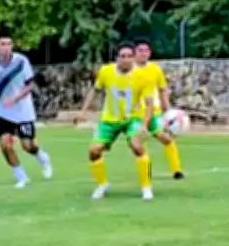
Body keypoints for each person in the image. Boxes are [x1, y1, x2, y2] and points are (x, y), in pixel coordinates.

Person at [77, 42, 156, 201]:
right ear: (117, 58)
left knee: (137, 146)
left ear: (134, 58)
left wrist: (144, 125)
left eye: (129, 56)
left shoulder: (144, 77)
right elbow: (95, 90)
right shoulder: (106, 71)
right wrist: (84, 112)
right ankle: (102, 185)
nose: (126, 59)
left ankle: (146, 187)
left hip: (132, 118)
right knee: (94, 151)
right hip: (109, 120)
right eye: (122, 56)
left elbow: (149, 104)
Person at [0, 29, 52, 188]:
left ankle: (42, 158)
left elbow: (29, 85)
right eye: (2, 44)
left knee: (28, 146)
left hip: (23, 110)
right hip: (3, 111)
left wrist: (15, 98)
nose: (6, 47)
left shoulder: (21, 61)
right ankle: (21, 177)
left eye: (9, 44)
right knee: (5, 145)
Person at [134, 39, 184, 179]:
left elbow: (162, 90)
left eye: (146, 50)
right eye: (140, 50)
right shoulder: (129, 71)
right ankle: (146, 171)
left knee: (166, 139)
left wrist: (168, 111)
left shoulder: (155, 69)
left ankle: (177, 171)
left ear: (150, 53)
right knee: (138, 144)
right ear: (135, 53)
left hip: (153, 113)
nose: (144, 53)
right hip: (136, 115)